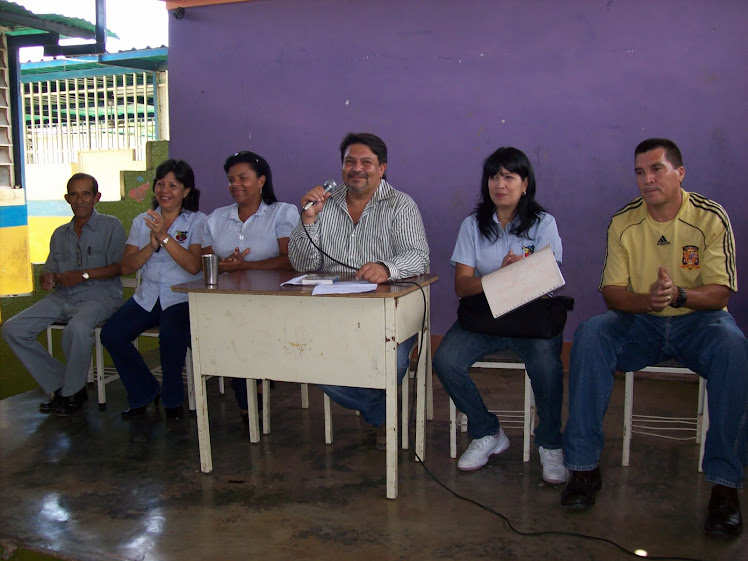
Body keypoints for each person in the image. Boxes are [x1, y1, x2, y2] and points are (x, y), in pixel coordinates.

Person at [561, 138, 747, 538]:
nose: (647, 180)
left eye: (656, 170)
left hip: (699, 321)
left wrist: (678, 295)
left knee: (733, 346)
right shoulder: (623, 221)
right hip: (641, 322)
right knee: (592, 334)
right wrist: (648, 301)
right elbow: (612, 293)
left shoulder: (711, 217)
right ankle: (582, 468)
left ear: (679, 173)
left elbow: (721, 292)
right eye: (640, 172)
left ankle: (725, 487)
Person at [432, 147, 567, 483]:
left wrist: (516, 277)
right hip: (485, 318)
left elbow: (547, 277)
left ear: (525, 184)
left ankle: (550, 442)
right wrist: (501, 277)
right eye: (494, 176)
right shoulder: (472, 225)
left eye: (509, 177)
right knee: (446, 361)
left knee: (548, 367)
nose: (500, 184)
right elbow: (462, 286)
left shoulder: (543, 224)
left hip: (531, 319)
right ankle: (487, 431)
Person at [288, 132, 429, 449]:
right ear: (341, 168)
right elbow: (300, 264)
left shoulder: (401, 205)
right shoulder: (323, 205)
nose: (357, 168)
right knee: (311, 360)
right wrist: (308, 220)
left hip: (389, 316)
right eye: (350, 162)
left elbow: (420, 256)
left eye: (366, 162)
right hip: (332, 314)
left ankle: (379, 411)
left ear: (382, 168)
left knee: (392, 362)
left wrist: (387, 268)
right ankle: (382, 412)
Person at [2, 173, 125, 415]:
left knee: (77, 328)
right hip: (62, 297)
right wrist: (46, 278)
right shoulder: (59, 234)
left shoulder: (111, 226)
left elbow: (122, 266)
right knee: (12, 329)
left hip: (101, 296)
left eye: (86, 194)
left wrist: (84, 275)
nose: (80, 200)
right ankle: (65, 384)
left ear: (96, 197)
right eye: (74, 194)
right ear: (67, 198)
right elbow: (50, 270)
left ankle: (71, 393)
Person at [101, 159, 206, 420]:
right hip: (147, 295)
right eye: (160, 184)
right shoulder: (142, 221)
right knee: (112, 334)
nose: (165, 190)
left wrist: (165, 237)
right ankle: (144, 391)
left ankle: (173, 402)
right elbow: (127, 266)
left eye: (173, 185)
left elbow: (194, 266)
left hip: (181, 295)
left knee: (171, 337)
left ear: (186, 191)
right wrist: (151, 246)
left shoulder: (198, 221)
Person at [202, 150, 299, 427]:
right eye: (231, 179)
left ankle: (248, 401)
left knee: (242, 334)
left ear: (261, 181)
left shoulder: (282, 212)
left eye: (243, 178)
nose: (236, 185)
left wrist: (244, 267)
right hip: (223, 303)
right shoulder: (216, 218)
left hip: (272, 302)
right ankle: (251, 385)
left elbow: (289, 260)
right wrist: (225, 265)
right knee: (229, 330)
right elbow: (207, 262)